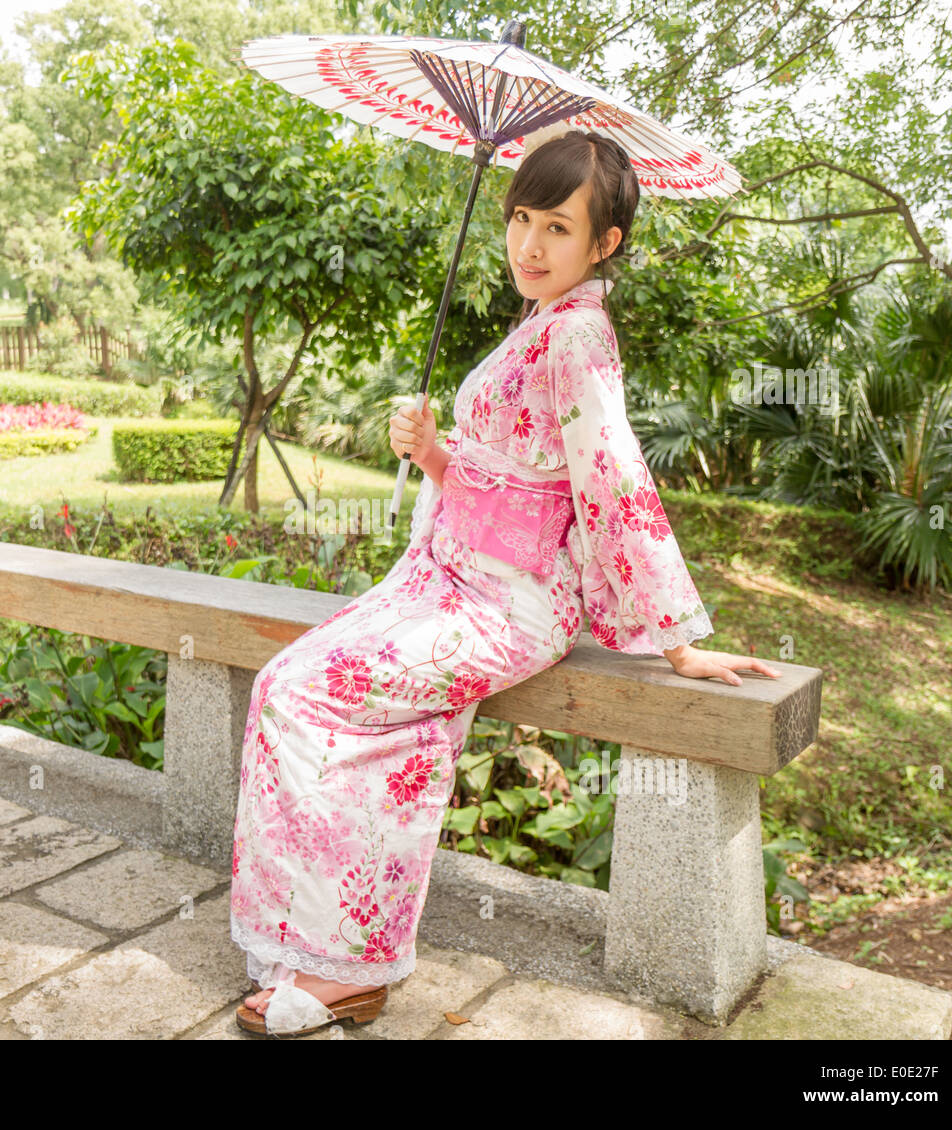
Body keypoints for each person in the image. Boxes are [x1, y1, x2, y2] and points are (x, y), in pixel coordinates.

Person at [230, 128, 781, 1037]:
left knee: (311, 694)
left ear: (604, 244)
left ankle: (350, 967)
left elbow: (613, 485)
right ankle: (313, 942)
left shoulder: (579, 339)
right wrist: (438, 454)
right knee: (286, 687)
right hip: (450, 577)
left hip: (510, 599)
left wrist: (677, 641)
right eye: (522, 218)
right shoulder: (542, 321)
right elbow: (510, 483)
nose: (529, 245)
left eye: (558, 228)